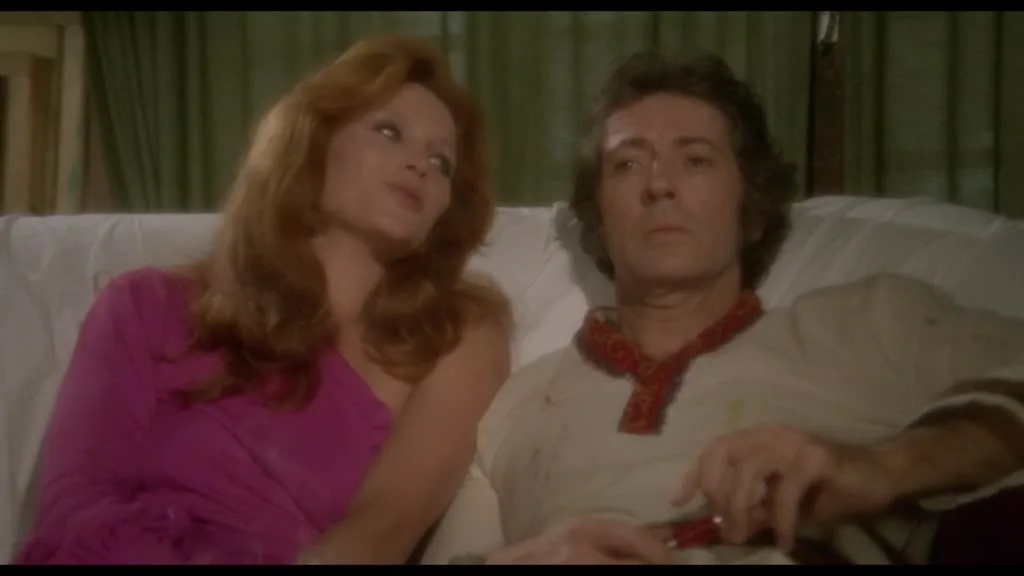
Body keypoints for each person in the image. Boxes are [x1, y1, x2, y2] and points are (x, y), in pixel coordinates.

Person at [421, 51, 1024, 565]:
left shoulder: (873, 322)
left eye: (696, 159)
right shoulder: (517, 405)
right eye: (628, 163)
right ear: (599, 214)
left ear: (750, 204)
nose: (659, 184)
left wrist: (886, 467)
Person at [16, 35, 511, 565]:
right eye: (389, 132)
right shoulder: (143, 305)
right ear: (312, 143)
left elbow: (380, 533)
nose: (420, 165)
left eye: (442, 162)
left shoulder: (456, 334)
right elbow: (75, 509)